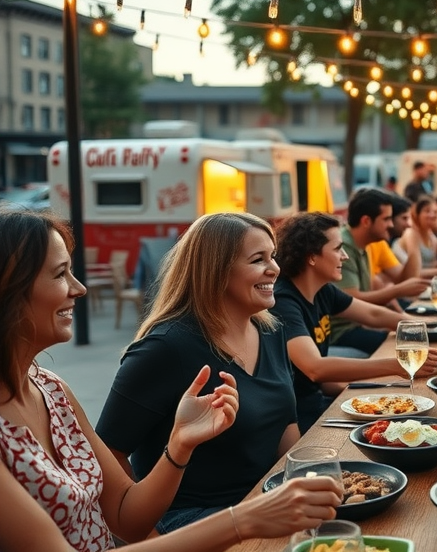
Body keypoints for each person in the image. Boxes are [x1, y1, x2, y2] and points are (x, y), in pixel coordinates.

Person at [0, 210, 342, 552]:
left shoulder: (52, 390)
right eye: (61, 274)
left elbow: (126, 517)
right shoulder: (168, 345)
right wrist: (243, 519)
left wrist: (179, 445)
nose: (80, 288)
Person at [97, 213, 306, 533]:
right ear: (217, 272)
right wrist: (150, 537)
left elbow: (286, 425)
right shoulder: (165, 348)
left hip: (264, 500)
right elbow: (107, 454)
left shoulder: (271, 331)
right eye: (258, 259)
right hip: (191, 518)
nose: (274, 269)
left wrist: (307, 480)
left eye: (272, 256)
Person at [271, 212, 437, 432]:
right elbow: (315, 368)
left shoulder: (323, 290)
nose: (345, 256)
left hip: (320, 402)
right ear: (311, 256)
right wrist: (396, 365)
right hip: (300, 419)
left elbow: (374, 315)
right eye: (337, 249)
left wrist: (422, 328)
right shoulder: (284, 301)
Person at [330, 188, 430, 356]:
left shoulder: (366, 244)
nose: (391, 225)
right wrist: (399, 293)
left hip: (357, 326)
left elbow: (403, 279)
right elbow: (352, 300)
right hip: (339, 333)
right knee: (405, 348)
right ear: (366, 221)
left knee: (413, 342)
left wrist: (413, 246)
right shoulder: (344, 246)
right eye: (387, 219)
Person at [396, 196, 437, 272]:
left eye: (435, 212)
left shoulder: (429, 234)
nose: (432, 215)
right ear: (417, 215)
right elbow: (414, 271)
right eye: (427, 211)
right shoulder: (411, 233)